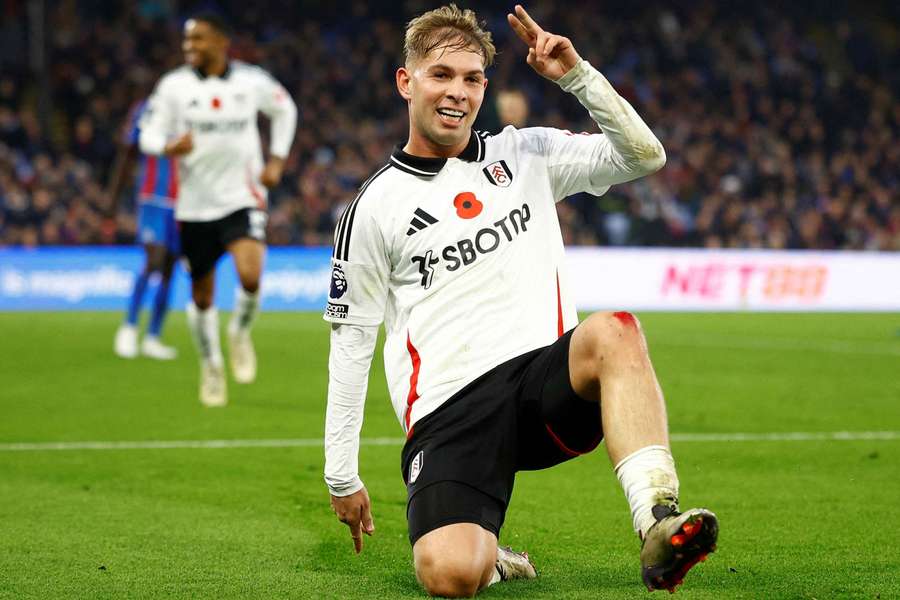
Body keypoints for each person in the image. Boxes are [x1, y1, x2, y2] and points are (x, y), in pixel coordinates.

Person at [323, 4, 718, 597]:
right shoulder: (373, 207)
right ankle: (489, 553)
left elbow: (644, 156)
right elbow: (353, 340)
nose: (457, 91)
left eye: (472, 78)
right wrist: (340, 473)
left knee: (615, 329)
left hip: (542, 386)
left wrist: (577, 75)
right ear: (406, 82)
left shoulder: (526, 153)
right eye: (441, 75)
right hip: (447, 413)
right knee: (451, 577)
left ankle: (658, 523)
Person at [139, 12, 297, 406]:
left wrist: (276, 161)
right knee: (203, 296)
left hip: (242, 197)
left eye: (199, 40)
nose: (190, 47)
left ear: (222, 41)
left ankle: (240, 333)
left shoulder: (250, 81)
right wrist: (166, 147)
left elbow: (285, 110)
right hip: (194, 206)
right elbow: (148, 133)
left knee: (250, 274)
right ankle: (211, 363)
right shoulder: (174, 87)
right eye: (187, 41)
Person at [111, 98, 180, 361]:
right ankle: (128, 327)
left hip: (183, 202)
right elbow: (128, 148)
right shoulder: (147, 107)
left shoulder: (197, 105)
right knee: (154, 259)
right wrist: (113, 199)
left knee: (169, 269)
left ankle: (153, 337)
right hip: (153, 197)